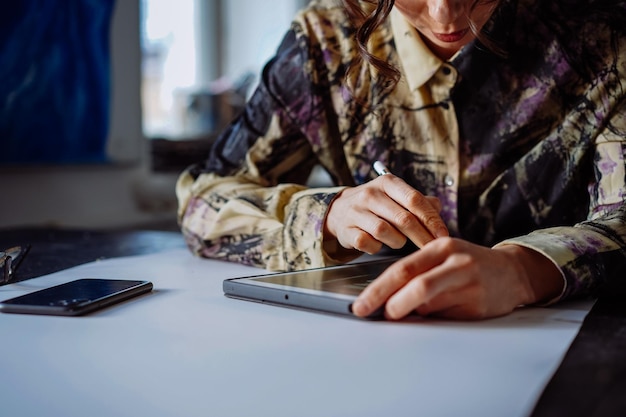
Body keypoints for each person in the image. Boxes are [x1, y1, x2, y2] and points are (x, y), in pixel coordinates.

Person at [176, 0, 626, 320]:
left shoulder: (603, 37)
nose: (444, 15)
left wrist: (522, 273)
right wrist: (328, 216)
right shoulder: (324, 43)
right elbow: (202, 200)